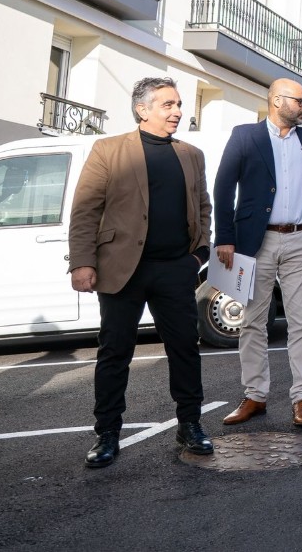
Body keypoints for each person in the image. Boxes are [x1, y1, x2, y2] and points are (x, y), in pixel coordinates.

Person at [68, 77, 213, 467]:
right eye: (167, 105)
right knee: (115, 352)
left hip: (174, 269)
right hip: (121, 269)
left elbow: (202, 206)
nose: (178, 112)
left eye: (179, 104)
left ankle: (190, 425)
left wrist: (198, 255)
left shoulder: (191, 154)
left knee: (185, 347)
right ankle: (107, 434)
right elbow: (85, 210)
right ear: (142, 109)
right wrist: (82, 262)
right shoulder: (108, 150)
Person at [215, 79, 302, 428]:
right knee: (253, 321)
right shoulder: (244, 136)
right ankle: (255, 396)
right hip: (256, 241)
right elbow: (223, 186)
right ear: (278, 100)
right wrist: (225, 237)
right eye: (300, 101)